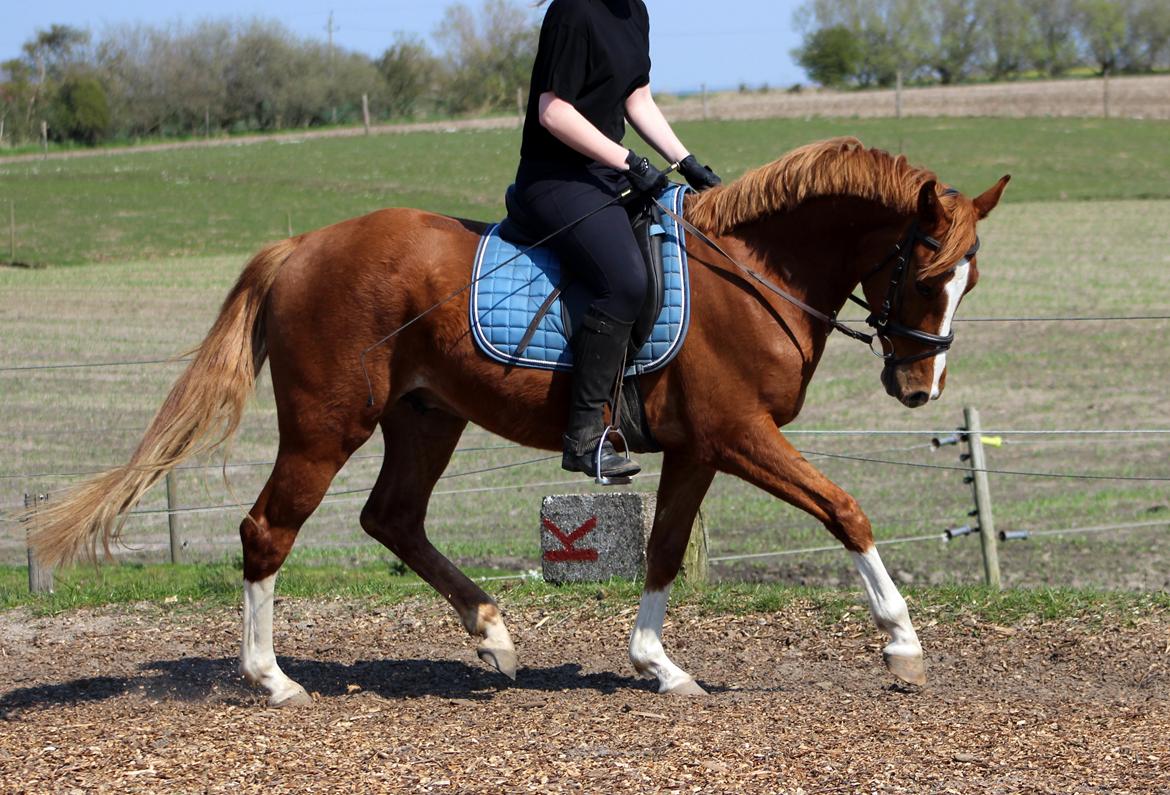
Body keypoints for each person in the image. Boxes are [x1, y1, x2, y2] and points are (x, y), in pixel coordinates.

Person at [513, 0, 722, 480]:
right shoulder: (573, 12)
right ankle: (585, 437)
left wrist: (685, 161)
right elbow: (553, 111)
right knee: (626, 280)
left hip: (604, 174)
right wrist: (631, 162)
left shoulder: (635, 11)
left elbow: (637, 98)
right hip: (556, 180)